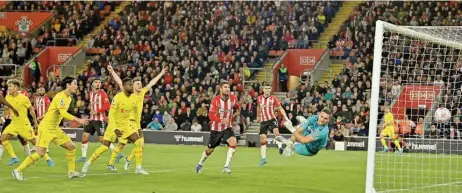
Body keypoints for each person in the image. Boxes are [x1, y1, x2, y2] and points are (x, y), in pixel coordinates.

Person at [12, 76, 89, 180]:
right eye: (74, 83)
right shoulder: (60, 96)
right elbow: (62, 113)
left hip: (55, 128)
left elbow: (53, 110)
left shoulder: (69, 98)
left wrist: (43, 116)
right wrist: (79, 120)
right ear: (68, 85)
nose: (76, 86)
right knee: (40, 153)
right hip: (46, 128)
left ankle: (71, 172)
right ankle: (17, 170)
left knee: (71, 147)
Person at [81, 78, 147, 175]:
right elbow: (111, 114)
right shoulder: (118, 97)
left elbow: (137, 115)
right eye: (129, 85)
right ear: (124, 86)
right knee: (105, 146)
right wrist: (115, 128)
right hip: (114, 124)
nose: (131, 86)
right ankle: (88, 162)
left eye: (132, 84)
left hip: (126, 125)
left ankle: (138, 168)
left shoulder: (134, 98)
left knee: (138, 143)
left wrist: (138, 128)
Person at [107, 65, 166, 171]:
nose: (140, 86)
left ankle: (126, 161)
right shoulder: (129, 93)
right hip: (127, 122)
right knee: (124, 144)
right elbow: (120, 82)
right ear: (132, 85)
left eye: (140, 84)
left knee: (135, 145)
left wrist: (161, 73)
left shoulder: (142, 92)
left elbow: (151, 83)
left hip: (136, 123)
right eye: (137, 84)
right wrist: (112, 71)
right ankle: (121, 164)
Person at [0, 79, 54, 166]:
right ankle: (14, 157)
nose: (8, 88)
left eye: (10, 86)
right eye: (8, 86)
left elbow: (31, 110)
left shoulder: (24, 98)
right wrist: (2, 117)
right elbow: (7, 109)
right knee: (2, 139)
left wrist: (35, 122)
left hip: (24, 125)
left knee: (35, 143)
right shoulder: (8, 97)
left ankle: (48, 158)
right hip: (14, 124)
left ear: (16, 87)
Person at [195, 82, 240, 174]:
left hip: (227, 127)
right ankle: (200, 163)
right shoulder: (215, 100)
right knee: (210, 150)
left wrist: (236, 113)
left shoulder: (233, 98)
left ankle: (226, 166)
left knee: (233, 142)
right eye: (225, 87)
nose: (228, 89)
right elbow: (211, 115)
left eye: (229, 87)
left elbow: (237, 107)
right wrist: (220, 120)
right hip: (216, 129)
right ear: (221, 89)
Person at [78, 78, 122, 162]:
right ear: (92, 84)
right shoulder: (90, 93)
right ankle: (83, 157)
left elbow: (107, 106)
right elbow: (93, 105)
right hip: (91, 119)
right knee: (84, 137)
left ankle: (117, 153)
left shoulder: (103, 94)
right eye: (96, 82)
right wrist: (90, 112)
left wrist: (97, 111)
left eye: (99, 82)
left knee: (101, 139)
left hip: (100, 120)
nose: (98, 84)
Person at [256, 83, 289, 166]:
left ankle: (280, 147)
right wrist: (258, 116)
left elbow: (280, 108)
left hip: (272, 119)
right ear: (263, 90)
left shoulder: (273, 98)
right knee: (262, 139)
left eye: (268, 88)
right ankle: (263, 158)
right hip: (263, 121)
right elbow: (258, 107)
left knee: (276, 134)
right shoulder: (259, 98)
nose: (267, 90)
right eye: (266, 88)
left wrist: (286, 117)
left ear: (270, 90)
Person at [0, 86, 27, 158]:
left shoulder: (24, 93)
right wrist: (3, 116)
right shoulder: (8, 94)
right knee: (2, 137)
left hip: (18, 119)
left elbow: (26, 105)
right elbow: (6, 105)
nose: (10, 88)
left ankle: (29, 154)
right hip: (9, 119)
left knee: (22, 137)